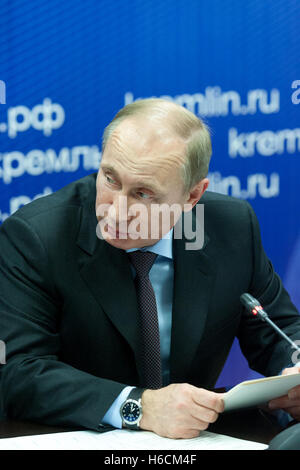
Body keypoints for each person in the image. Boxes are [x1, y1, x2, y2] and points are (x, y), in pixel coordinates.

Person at [0, 98, 300, 440]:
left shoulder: (230, 227)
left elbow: (279, 328)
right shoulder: (38, 237)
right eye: (110, 179)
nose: (116, 212)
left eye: (143, 194)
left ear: (192, 196)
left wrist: (296, 368)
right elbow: (18, 374)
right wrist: (139, 406)